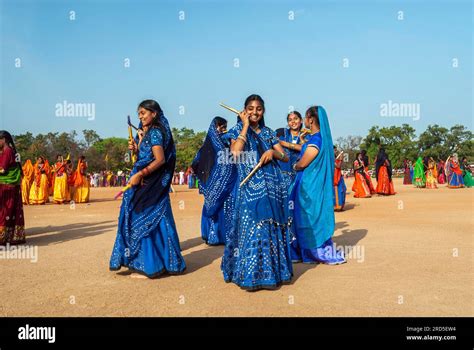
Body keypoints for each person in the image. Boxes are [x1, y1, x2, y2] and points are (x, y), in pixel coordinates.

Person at [221, 94, 293, 290]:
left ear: (263, 111)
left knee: (268, 228)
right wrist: (244, 126)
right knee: (251, 228)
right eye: (251, 108)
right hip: (248, 189)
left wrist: (272, 152)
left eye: (259, 108)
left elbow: (285, 157)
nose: (255, 112)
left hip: (270, 189)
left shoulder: (268, 132)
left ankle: (271, 274)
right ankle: (250, 275)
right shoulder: (237, 130)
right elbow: (236, 154)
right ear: (244, 110)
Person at [110, 99, 186, 278]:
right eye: (139, 114)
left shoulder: (156, 132)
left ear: (154, 113)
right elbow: (144, 156)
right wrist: (136, 148)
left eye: (143, 113)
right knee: (158, 218)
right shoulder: (148, 132)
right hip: (146, 181)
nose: (141, 117)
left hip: (148, 181)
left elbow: (160, 160)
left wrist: (140, 174)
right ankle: (164, 262)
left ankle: (149, 266)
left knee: (143, 217)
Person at [289, 106, 345, 264]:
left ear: (311, 119)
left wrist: (296, 166)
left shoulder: (316, 140)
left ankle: (314, 251)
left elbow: (304, 162)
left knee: (308, 217)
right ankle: (304, 249)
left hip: (309, 186)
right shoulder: (319, 139)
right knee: (312, 215)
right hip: (313, 184)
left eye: (306, 118)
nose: (304, 121)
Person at [192, 117, 236, 246]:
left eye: (224, 127)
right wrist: (207, 179)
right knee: (212, 207)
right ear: (213, 127)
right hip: (212, 184)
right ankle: (212, 236)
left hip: (227, 183)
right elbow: (196, 164)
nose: (223, 130)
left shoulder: (227, 142)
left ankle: (223, 236)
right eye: (220, 127)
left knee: (225, 207)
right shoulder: (206, 147)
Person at [0, 131, 25, 245]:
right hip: (11, 184)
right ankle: (12, 235)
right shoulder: (10, 150)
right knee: (9, 211)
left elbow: (2, 169)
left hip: (6, 185)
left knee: (5, 211)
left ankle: (3, 236)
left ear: (4, 140)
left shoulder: (7, 151)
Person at [276, 111, 308, 187]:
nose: (293, 122)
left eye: (295, 119)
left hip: (299, 175)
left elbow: (305, 149)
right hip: (281, 175)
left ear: (301, 120)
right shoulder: (281, 133)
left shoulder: (306, 135)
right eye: (290, 120)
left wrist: (283, 143)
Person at [333, 146, 346, 211]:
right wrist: (341, 160)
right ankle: (337, 206)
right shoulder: (330, 159)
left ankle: (341, 205)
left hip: (339, 176)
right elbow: (338, 166)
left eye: (336, 150)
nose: (336, 152)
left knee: (343, 189)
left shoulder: (336, 159)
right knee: (337, 191)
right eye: (334, 150)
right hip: (334, 178)